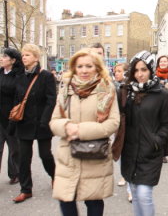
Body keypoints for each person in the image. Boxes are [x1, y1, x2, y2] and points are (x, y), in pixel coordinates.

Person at [50, 48, 120, 216]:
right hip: (68, 154)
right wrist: (66, 126)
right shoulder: (65, 88)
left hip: (94, 154)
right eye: (80, 66)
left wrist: (80, 130)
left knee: (94, 201)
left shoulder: (106, 89)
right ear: (74, 68)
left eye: (89, 66)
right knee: (66, 199)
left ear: (97, 67)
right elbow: (54, 121)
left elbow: (113, 123)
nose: (84, 70)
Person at [120, 50, 168, 216]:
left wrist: (156, 141)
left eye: (143, 69)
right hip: (130, 151)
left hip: (150, 152)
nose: (139, 74)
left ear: (150, 69)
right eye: (136, 70)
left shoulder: (161, 94)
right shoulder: (127, 92)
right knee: (135, 194)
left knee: (144, 194)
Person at [11, 44, 57, 203]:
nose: (24, 57)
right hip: (24, 123)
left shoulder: (46, 76)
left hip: (42, 123)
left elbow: (51, 100)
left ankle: (55, 176)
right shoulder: (19, 76)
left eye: (28, 55)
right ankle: (26, 189)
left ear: (36, 58)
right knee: (24, 158)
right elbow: (17, 99)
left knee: (45, 155)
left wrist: (45, 120)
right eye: (23, 55)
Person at [0, 48, 24, 185]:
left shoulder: (18, 76)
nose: (1, 58)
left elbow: (18, 97)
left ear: (13, 61)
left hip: (11, 118)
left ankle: (15, 173)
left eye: (4, 56)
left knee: (14, 149)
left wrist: (13, 118)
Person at [112, 62, 132, 202]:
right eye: (115, 71)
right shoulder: (112, 86)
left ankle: (130, 189)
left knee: (128, 153)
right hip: (117, 124)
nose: (116, 73)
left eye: (119, 71)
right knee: (119, 150)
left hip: (128, 124)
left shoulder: (130, 87)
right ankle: (123, 175)